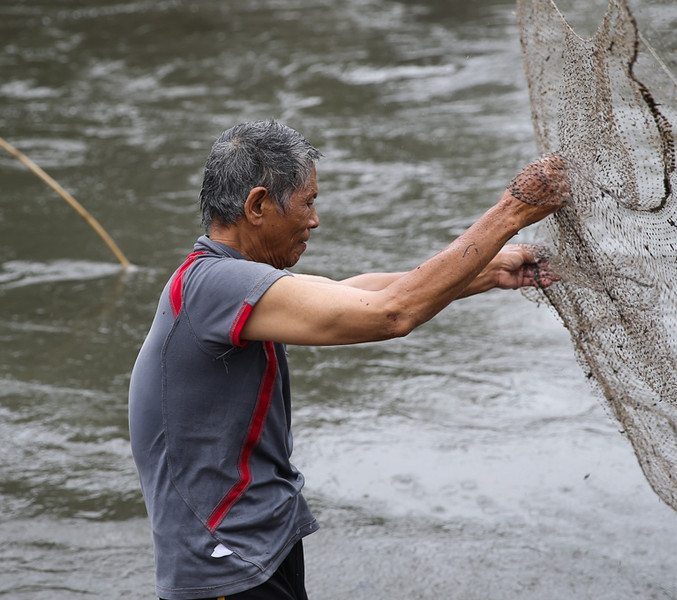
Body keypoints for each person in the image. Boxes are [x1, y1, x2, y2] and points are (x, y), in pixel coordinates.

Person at [128, 119, 569, 600]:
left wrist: (487, 272)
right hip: (225, 564)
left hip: (255, 548)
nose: (314, 220)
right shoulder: (214, 285)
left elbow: (352, 292)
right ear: (257, 206)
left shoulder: (227, 277)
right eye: (308, 202)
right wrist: (511, 211)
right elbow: (393, 313)